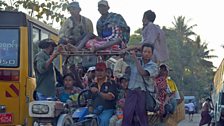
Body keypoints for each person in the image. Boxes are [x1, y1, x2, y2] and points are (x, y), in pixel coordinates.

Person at [122, 43, 159, 126]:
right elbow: (122, 53)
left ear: (152, 54)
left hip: (142, 94)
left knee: (140, 118)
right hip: (131, 93)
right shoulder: (134, 59)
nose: (146, 54)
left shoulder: (154, 66)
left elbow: (142, 72)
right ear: (141, 52)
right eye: (145, 51)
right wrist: (135, 47)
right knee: (127, 117)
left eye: (149, 52)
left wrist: (135, 59)